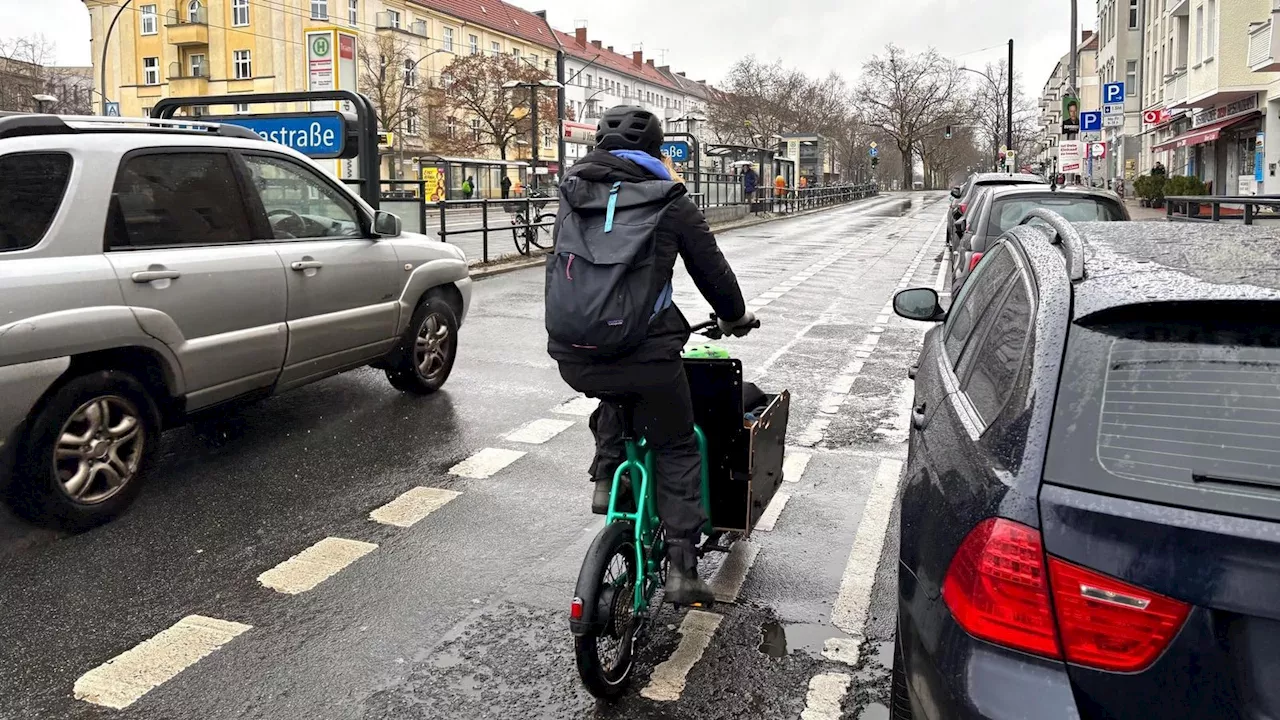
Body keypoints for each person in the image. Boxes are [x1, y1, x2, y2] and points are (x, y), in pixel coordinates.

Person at [547, 106, 755, 606]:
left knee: (612, 394)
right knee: (677, 443)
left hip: (574, 352)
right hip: (647, 354)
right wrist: (734, 317)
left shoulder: (571, 195)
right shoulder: (669, 199)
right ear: (658, 152)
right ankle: (682, 566)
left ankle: (607, 475)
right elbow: (714, 274)